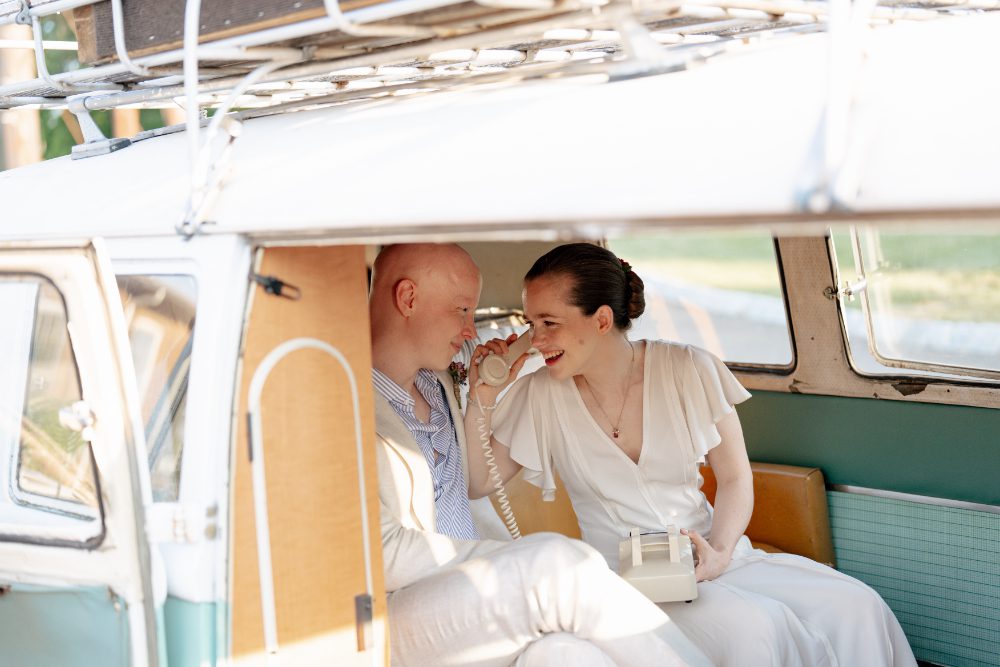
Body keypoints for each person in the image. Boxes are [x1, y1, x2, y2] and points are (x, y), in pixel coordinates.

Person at [471, 242, 918, 667]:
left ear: (602, 320)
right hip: (627, 579)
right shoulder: (538, 395)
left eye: (549, 323)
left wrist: (721, 552)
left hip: (712, 551)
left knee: (857, 605)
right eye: (530, 324)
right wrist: (485, 396)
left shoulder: (690, 368)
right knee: (754, 629)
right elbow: (477, 482)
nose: (535, 340)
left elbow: (736, 477)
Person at [368, 243, 711, 667]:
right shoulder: (339, 402)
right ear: (408, 298)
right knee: (560, 564)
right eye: (461, 311)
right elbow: (381, 554)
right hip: (399, 611)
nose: (471, 329)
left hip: (479, 593)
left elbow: (547, 338)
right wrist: (517, 560)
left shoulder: (441, 375)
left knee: (563, 654)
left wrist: (484, 395)